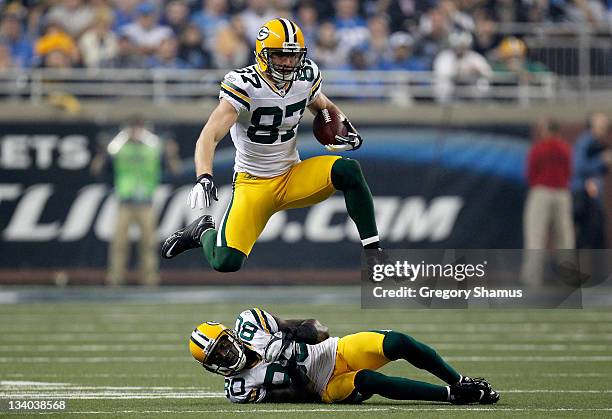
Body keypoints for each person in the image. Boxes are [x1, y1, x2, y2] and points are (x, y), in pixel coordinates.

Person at [161, 18, 379, 272]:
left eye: (293, 56)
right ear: (263, 55)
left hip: (291, 175)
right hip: (254, 184)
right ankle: (203, 231)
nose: (287, 62)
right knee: (226, 262)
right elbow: (209, 135)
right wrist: (204, 177)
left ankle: (374, 254)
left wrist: (345, 127)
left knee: (348, 171)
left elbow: (324, 107)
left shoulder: (305, 77)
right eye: (279, 55)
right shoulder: (245, 85)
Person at [188, 307, 500, 404]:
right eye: (217, 357)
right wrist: (291, 364)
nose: (227, 356)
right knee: (370, 380)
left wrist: (298, 336)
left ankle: (460, 379)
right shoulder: (239, 388)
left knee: (399, 342)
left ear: (230, 335)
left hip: (332, 350)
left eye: (224, 346)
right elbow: (304, 395)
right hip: (324, 386)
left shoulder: (252, 323)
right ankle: (452, 396)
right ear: (211, 367)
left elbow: (316, 327)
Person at [90, 115, 181, 286]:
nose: (136, 133)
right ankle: (115, 279)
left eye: (139, 128)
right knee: (119, 244)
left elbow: (175, 170)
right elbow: (96, 169)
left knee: (148, 244)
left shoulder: (153, 148)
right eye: (132, 129)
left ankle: (150, 279)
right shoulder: (119, 148)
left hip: (146, 203)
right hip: (124, 202)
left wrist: (171, 154)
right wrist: (102, 153)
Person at [521, 118, 574, 285]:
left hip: (541, 191)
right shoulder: (565, 148)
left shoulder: (539, 148)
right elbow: (569, 170)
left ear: (546, 130)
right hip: (562, 193)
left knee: (535, 237)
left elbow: (529, 173)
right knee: (564, 238)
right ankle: (567, 277)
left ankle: (532, 278)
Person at [572, 112, 612, 248]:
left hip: (593, 195)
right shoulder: (586, 141)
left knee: (597, 234)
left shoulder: (597, 143)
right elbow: (578, 167)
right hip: (583, 194)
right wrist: (601, 160)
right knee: (590, 232)